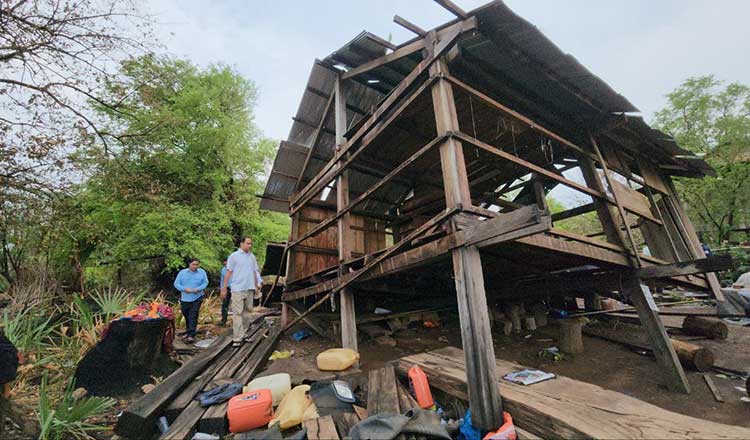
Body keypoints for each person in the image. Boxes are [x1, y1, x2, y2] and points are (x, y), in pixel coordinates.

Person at [221, 236, 263, 347]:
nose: (249, 246)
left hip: (249, 288)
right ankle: (237, 338)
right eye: (247, 243)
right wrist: (224, 288)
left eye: (251, 244)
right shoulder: (234, 256)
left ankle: (243, 333)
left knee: (248, 312)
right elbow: (229, 272)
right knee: (237, 313)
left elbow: (254, 272)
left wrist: (256, 286)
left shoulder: (252, 257)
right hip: (237, 288)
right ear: (241, 243)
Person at [173, 258, 208, 343]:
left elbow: (205, 282)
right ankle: (189, 331)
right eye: (193, 264)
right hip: (185, 297)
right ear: (189, 264)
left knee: (193, 314)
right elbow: (176, 284)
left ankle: (191, 335)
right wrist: (184, 289)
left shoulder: (202, 272)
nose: (195, 266)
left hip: (197, 297)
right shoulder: (182, 273)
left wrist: (199, 288)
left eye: (197, 264)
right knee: (186, 314)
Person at [219, 259, 232, 326]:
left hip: (235, 288)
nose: (226, 265)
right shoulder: (223, 270)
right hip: (226, 288)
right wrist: (222, 289)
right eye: (224, 264)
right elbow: (222, 280)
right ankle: (223, 320)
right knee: (224, 305)